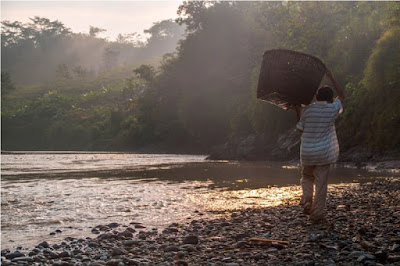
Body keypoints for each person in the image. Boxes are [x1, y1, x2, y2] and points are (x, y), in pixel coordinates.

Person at [293, 69, 345, 223]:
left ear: (317, 97)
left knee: (307, 177)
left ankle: (307, 198)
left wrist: (298, 110)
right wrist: (331, 76)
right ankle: (316, 215)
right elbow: (341, 95)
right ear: (330, 99)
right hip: (324, 153)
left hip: (307, 152)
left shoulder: (308, 110)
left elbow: (300, 129)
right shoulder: (333, 109)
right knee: (321, 184)